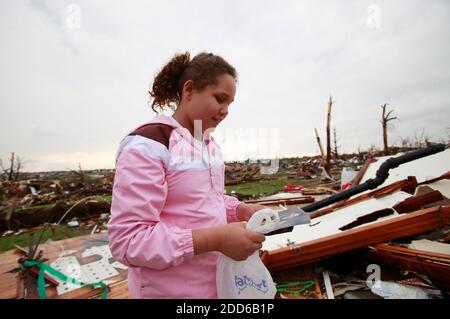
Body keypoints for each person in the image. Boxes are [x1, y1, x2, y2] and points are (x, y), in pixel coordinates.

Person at [108, 51, 267, 298]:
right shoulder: (149, 144)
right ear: (189, 90)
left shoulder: (208, 145)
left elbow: (202, 202)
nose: (225, 111)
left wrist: (238, 210)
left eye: (229, 104)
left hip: (215, 286)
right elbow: (129, 241)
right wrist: (215, 239)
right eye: (220, 99)